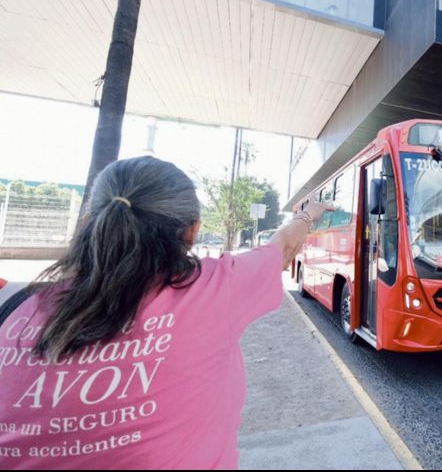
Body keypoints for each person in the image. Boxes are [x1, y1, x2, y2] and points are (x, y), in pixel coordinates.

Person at [0, 156, 332, 469]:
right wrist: (308, 214)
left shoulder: (15, 310)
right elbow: (284, 245)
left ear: (89, 222)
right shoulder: (217, 287)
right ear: (191, 231)